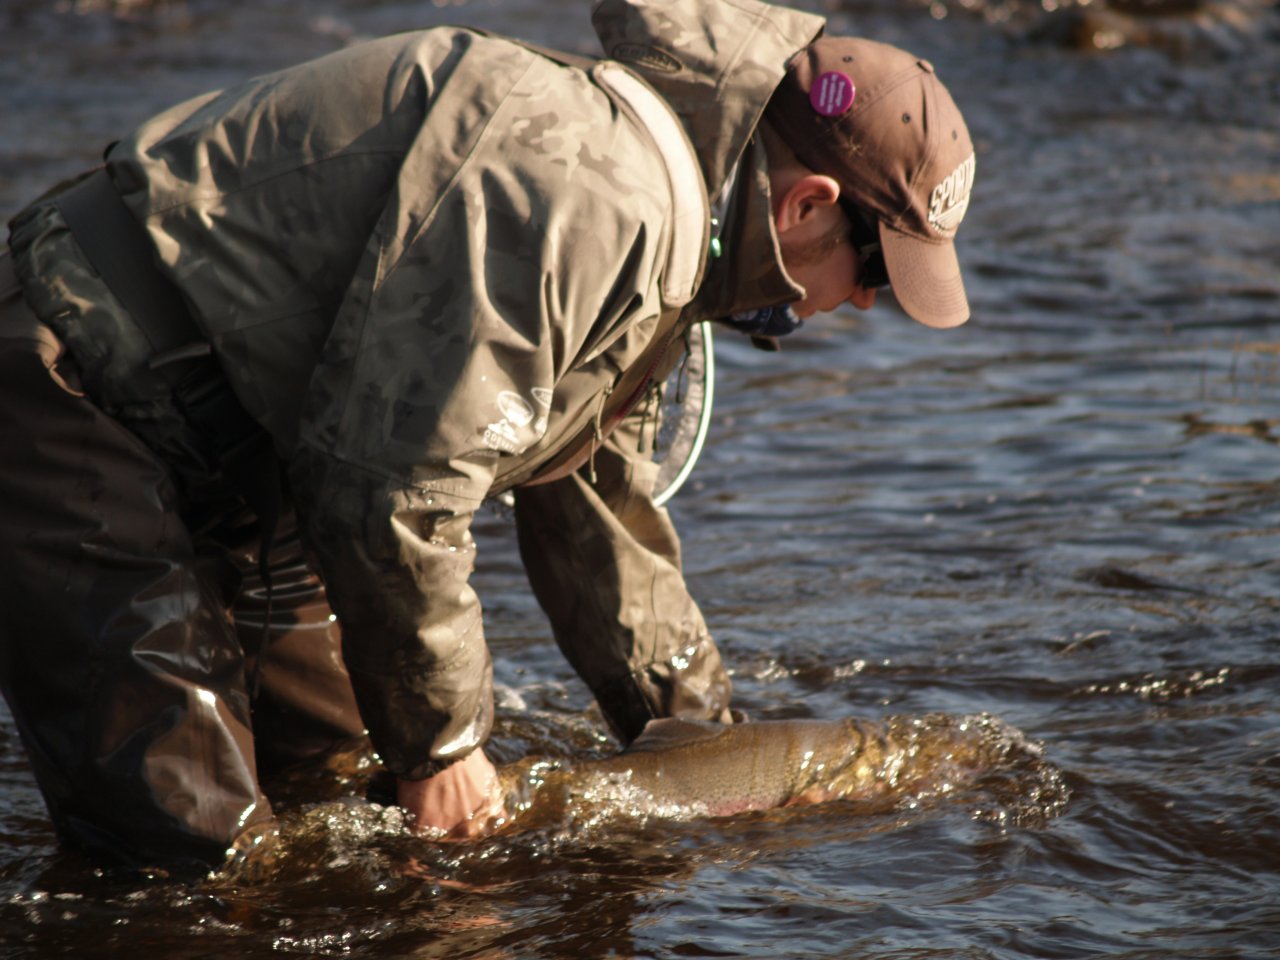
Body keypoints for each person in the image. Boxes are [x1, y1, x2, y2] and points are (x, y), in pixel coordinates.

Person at [0, 0, 976, 870]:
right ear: (807, 205)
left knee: (336, 789)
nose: (856, 307)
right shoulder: (586, 192)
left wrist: (706, 752)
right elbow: (393, 481)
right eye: (875, 276)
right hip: (79, 384)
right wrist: (444, 749)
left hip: (253, 439)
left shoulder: (670, 240)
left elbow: (600, 514)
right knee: (195, 850)